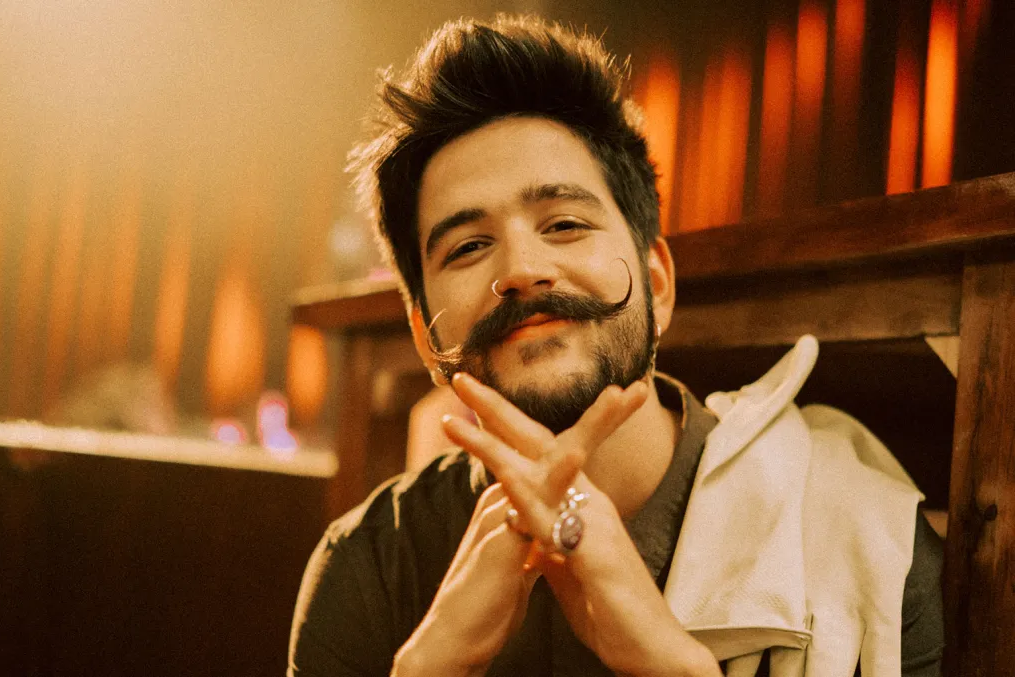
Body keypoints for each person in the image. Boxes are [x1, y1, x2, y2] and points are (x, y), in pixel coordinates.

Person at [288, 15, 944, 677]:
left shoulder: (863, 541)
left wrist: (677, 668)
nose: (521, 269)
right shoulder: (368, 565)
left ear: (657, 285)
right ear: (426, 340)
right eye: (468, 246)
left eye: (565, 224)